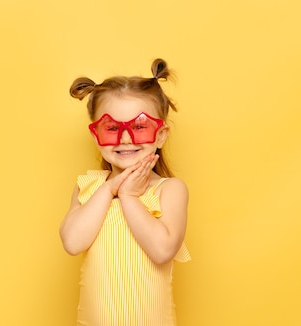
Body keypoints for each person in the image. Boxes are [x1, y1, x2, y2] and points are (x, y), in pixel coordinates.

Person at [59, 58, 191, 325]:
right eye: (112, 128)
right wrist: (110, 188)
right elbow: (73, 243)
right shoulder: (89, 187)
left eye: (139, 126)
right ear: (97, 136)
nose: (126, 138)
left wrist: (129, 197)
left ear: (161, 134)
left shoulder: (169, 190)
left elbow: (163, 250)